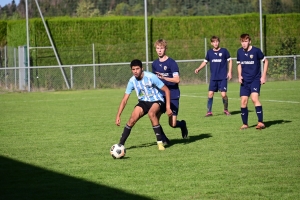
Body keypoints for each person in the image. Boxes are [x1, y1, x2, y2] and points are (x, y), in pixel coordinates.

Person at [115, 59, 173, 150]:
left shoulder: (151, 77)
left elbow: (166, 90)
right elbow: (124, 99)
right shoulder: (132, 81)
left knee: (151, 113)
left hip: (157, 100)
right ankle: (120, 145)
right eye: (133, 69)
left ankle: (160, 143)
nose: (135, 71)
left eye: (137, 69)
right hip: (143, 102)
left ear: (142, 68)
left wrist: (168, 107)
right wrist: (118, 115)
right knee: (132, 119)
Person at [152, 39, 188, 142]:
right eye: (157, 48)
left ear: (165, 49)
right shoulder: (154, 64)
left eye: (161, 48)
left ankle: (182, 124)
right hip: (161, 96)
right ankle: (164, 139)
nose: (159, 51)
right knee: (154, 117)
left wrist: (164, 77)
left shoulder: (172, 63)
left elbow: (177, 79)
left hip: (173, 95)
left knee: (172, 124)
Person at [194, 36, 232, 117]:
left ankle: (226, 110)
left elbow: (230, 61)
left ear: (219, 42)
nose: (215, 43)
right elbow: (205, 62)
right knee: (210, 94)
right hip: (214, 78)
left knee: (223, 95)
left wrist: (229, 72)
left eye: (217, 41)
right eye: (214, 42)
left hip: (222, 77)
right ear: (211, 43)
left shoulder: (224, 51)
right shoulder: (209, 53)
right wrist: (198, 68)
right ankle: (209, 112)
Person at [237, 33, 268, 130]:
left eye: (246, 41)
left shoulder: (256, 51)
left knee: (254, 99)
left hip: (255, 79)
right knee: (243, 102)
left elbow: (266, 61)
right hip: (245, 81)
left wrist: (263, 76)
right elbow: (239, 64)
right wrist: (239, 75)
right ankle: (245, 124)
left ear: (249, 41)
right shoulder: (239, 52)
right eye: (242, 42)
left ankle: (260, 122)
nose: (244, 44)